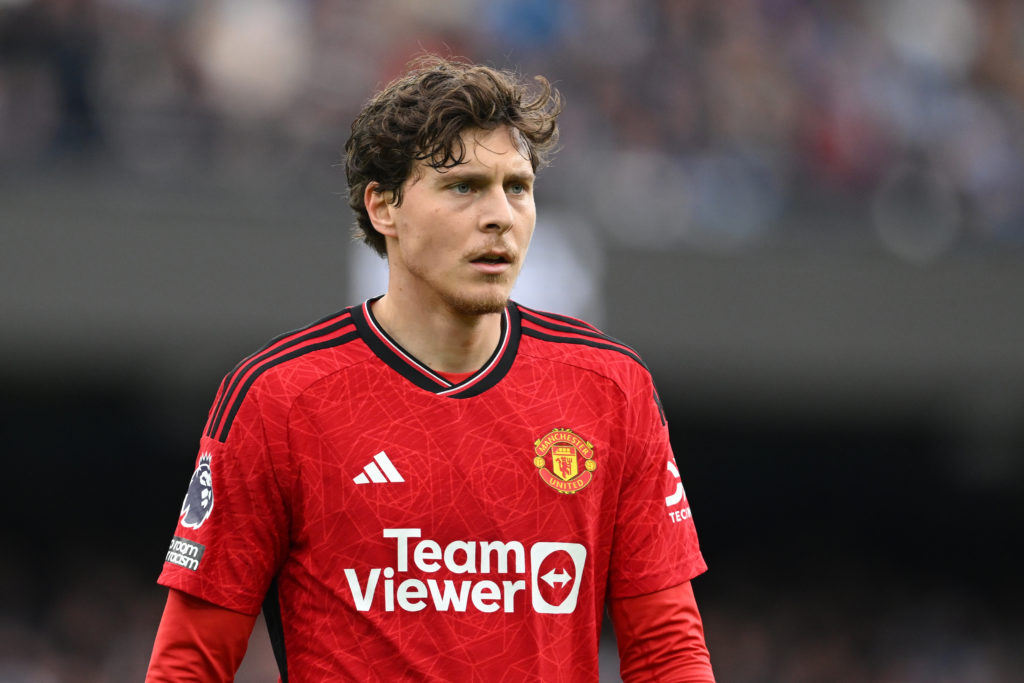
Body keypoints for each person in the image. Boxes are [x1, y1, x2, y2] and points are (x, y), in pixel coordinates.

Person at [146, 55, 715, 682]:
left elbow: (668, 653)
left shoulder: (610, 388)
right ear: (384, 207)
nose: (500, 214)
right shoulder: (279, 398)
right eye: (464, 186)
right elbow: (189, 664)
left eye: (517, 187)